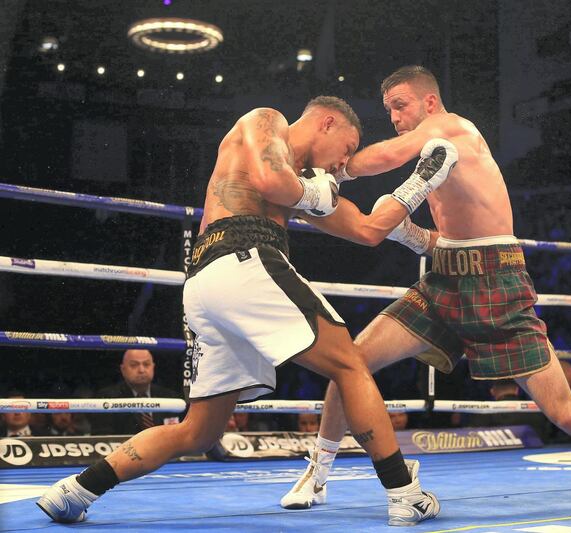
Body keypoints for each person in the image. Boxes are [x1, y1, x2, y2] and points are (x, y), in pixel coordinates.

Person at [38, 96, 455, 526]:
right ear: (326, 123)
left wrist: (419, 188)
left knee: (198, 431)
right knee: (350, 364)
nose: (342, 163)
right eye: (347, 149)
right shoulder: (266, 122)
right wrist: (314, 191)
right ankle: (405, 494)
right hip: (242, 256)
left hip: (207, 286)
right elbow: (272, 180)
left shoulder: (302, 184)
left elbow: (367, 230)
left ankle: (76, 490)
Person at [281, 66, 571, 510]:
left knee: (564, 411)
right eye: (389, 110)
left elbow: (387, 155)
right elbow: (452, 237)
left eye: (401, 105)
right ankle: (316, 475)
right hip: (444, 280)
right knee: (351, 362)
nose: (394, 117)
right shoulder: (434, 160)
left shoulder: (452, 129)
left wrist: (335, 166)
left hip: (498, 281)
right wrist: (415, 237)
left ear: (430, 102)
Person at [91, 349, 182, 435]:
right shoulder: (107, 397)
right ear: (123, 369)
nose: (141, 370)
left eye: (146, 364)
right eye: (134, 365)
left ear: (153, 367)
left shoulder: (170, 397)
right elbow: (103, 437)